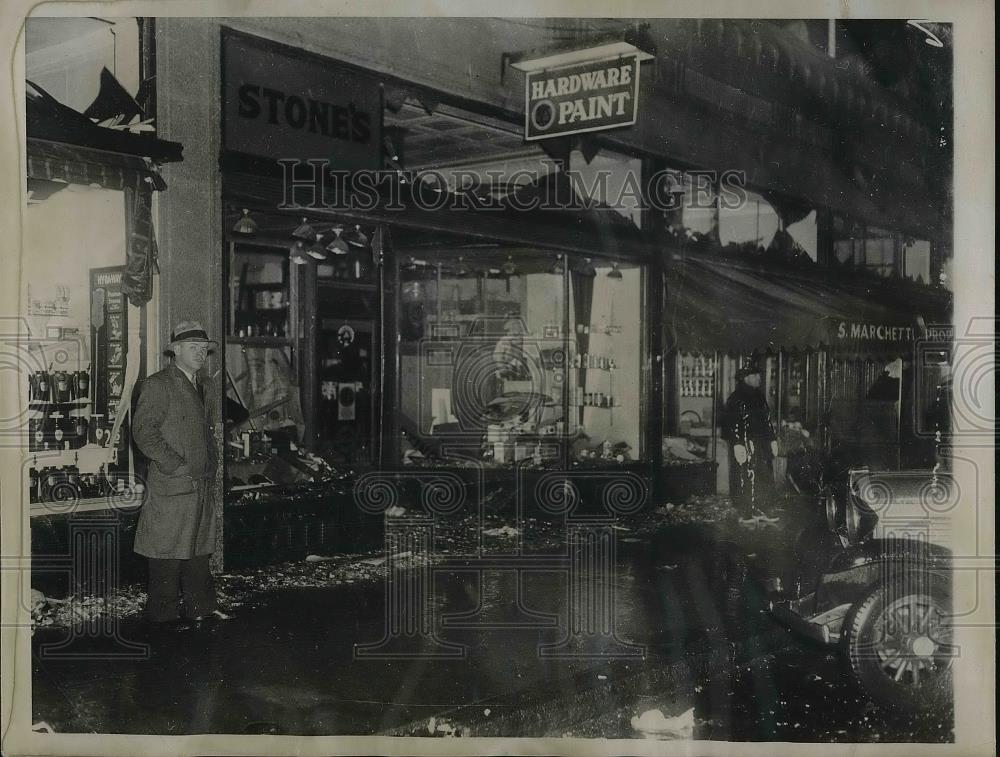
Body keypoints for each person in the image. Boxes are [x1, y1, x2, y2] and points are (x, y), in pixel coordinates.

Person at [133, 320, 230, 631]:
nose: (201, 352)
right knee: (166, 552)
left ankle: (200, 608)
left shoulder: (206, 385)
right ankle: (163, 617)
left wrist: (210, 465)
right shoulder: (159, 385)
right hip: (173, 483)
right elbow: (143, 433)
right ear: (175, 350)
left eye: (204, 348)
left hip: (199, 483)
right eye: (193, 347)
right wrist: (173, 463)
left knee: (199, 550)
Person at [722, 360, 779, 522]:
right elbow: (733, 423)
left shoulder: (759, 396)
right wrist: (738, 443)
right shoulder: (736, 398)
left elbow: (767, 420)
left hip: (761, 443)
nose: (759, 378)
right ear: (746, 378)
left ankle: (764, 507)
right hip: (746, 442)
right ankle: (746, 510)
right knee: (746, 474)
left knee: (765, 474)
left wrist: (772, 439)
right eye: (755, 375)